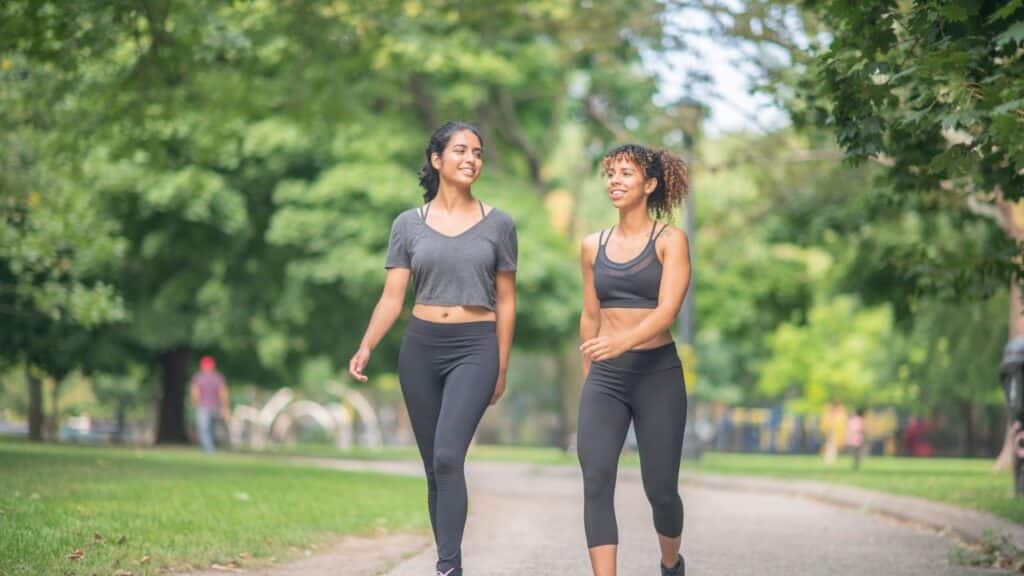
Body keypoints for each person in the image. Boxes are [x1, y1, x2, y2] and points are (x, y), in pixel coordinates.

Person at [348, 121, 517, 576]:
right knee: (433, 467)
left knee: (448, 457)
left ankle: (448, 566)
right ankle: (449, 564)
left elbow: (506, 300)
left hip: (475, 346)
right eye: (461, 150)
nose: (471, 159)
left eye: (478, 153)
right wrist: (367, 345)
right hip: (420, 348)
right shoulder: (408, 224)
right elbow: (392, 296)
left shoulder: (499, 224)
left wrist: (501, 365)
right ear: (436, 159)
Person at [577, 144, 691, 576]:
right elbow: (590, 314)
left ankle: (670, 562)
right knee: (596, 479)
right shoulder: (592, 246)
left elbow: (667, 312)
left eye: (626, 174)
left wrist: (620, 342)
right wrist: (592, 372)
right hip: (606, 378)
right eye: (610, 173)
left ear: (650, 184)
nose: (616, 181)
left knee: (660, 489)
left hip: (657, 374)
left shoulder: (670, 241)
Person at [190, 355, 229, 454]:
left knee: (205, 429)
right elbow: (223, 393)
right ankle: (209, 449)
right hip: (214, 406)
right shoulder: (218, 377)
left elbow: (195, 392)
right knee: (209, 429)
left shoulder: (199, 377)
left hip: (204, 407)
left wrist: (196, 404)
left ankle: (209, 450)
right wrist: (225, 407)